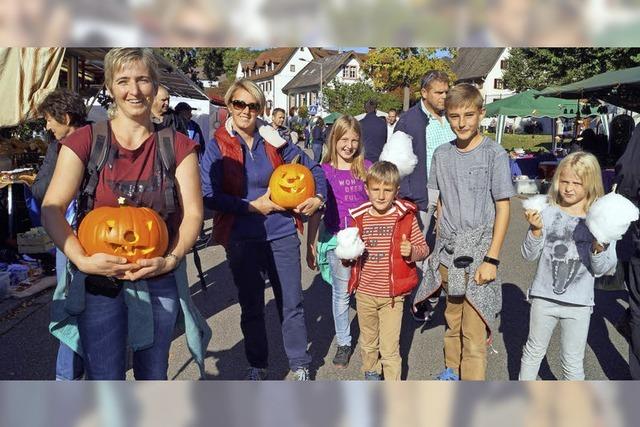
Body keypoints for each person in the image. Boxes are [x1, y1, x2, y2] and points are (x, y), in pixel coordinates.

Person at [41, 48, 210, 380]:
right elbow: (53, 209)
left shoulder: (176, 146)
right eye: (123, 81)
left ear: (155, 84)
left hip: (158, 276)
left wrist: (172, 259)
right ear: (110, 86)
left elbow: (193, 215)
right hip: (99, 282)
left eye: (143, 79)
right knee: (104, 377)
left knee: (152, 375)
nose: (134, 90)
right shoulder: (86, 141)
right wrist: (82, 260)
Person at [200, 78, 327, 381]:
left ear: (261, 108)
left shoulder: (274, 139)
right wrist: (249, 206)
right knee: (252, 304)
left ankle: (299, 363)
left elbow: (314, 169)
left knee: (292, 301)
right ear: (229, 106)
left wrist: (317, 196)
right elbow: (208, 194)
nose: (245, 111)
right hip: (242, 236)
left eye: (252, 105)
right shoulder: (217, 145)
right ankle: (258, 363)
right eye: (239, 104)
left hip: (281, 231)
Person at [422, 83, 514, 381]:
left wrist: (492, 259)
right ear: (446, 116)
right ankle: (451, 371)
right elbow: (436, 203)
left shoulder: (494, 154)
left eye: (468, 115)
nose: (461, 123)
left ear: (481, 114)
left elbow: (503, 207)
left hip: (478, 256)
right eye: (454, 116)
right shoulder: (441, 154)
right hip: (449, 255)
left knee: (474, 334)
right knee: (453, 320)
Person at [519, 152, 617, 380]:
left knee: (572, 362)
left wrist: (599, 247)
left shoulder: (601, 218)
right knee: (533, 352)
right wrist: (535, 231)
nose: (569, 188)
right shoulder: (546, 211)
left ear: (591, 184)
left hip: (579, 304)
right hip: (543, 298)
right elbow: (528, 255)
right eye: (564, 181)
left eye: (577, 183)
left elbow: (603, 268)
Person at [345, 161, 428, 380]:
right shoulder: (359, 217)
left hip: (393, 297)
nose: (381, 195)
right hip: (365, 294)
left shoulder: (405, 217)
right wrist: (346, 255)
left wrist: (411, 251)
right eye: (376, 189)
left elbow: (424, 249)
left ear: (396, 192)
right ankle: (371, 374)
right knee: (368, 342)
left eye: (387, 190)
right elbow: (349, 253)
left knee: (390, 349)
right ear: (367, 189)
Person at [32, 88, 89, 381]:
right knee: (75, 307)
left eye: (48, 120)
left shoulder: (87, 144)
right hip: (71, 237)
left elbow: (41, 189)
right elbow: (41, 190)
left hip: (83, 239)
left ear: (65, 117)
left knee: (74, 307)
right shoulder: (59, 148)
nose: (47, 127)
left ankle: (69, 379)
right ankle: (70, 377)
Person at [306, 115, 371, 369]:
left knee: (365, 291)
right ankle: (344, 341)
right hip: (336, 240)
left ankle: (372, 337)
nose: (349, 145)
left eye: (354, 140)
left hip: (364, 240)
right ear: (334, 140)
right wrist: (310, 244)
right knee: (342, 294)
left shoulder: (366, 167)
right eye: (344, 139)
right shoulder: (323, 171)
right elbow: (315, 211)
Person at [394, 70, 456, 323]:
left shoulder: (450, 118)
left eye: (446, 92)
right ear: (425, 93)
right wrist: (409, 197)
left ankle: (436, 291)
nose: (444, 97)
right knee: (420, 248)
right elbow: (397, 163)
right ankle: (419, 299)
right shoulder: (410, 121)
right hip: (421, 193)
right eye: (439, 92)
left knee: (445, 245)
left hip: (450, 192)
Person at [359, 99, 387, 163]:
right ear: (376, 109)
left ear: (365, 109)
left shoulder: (360, 123)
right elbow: (385, 141)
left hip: (364, 159)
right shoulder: (382, 123)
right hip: (379, 159)